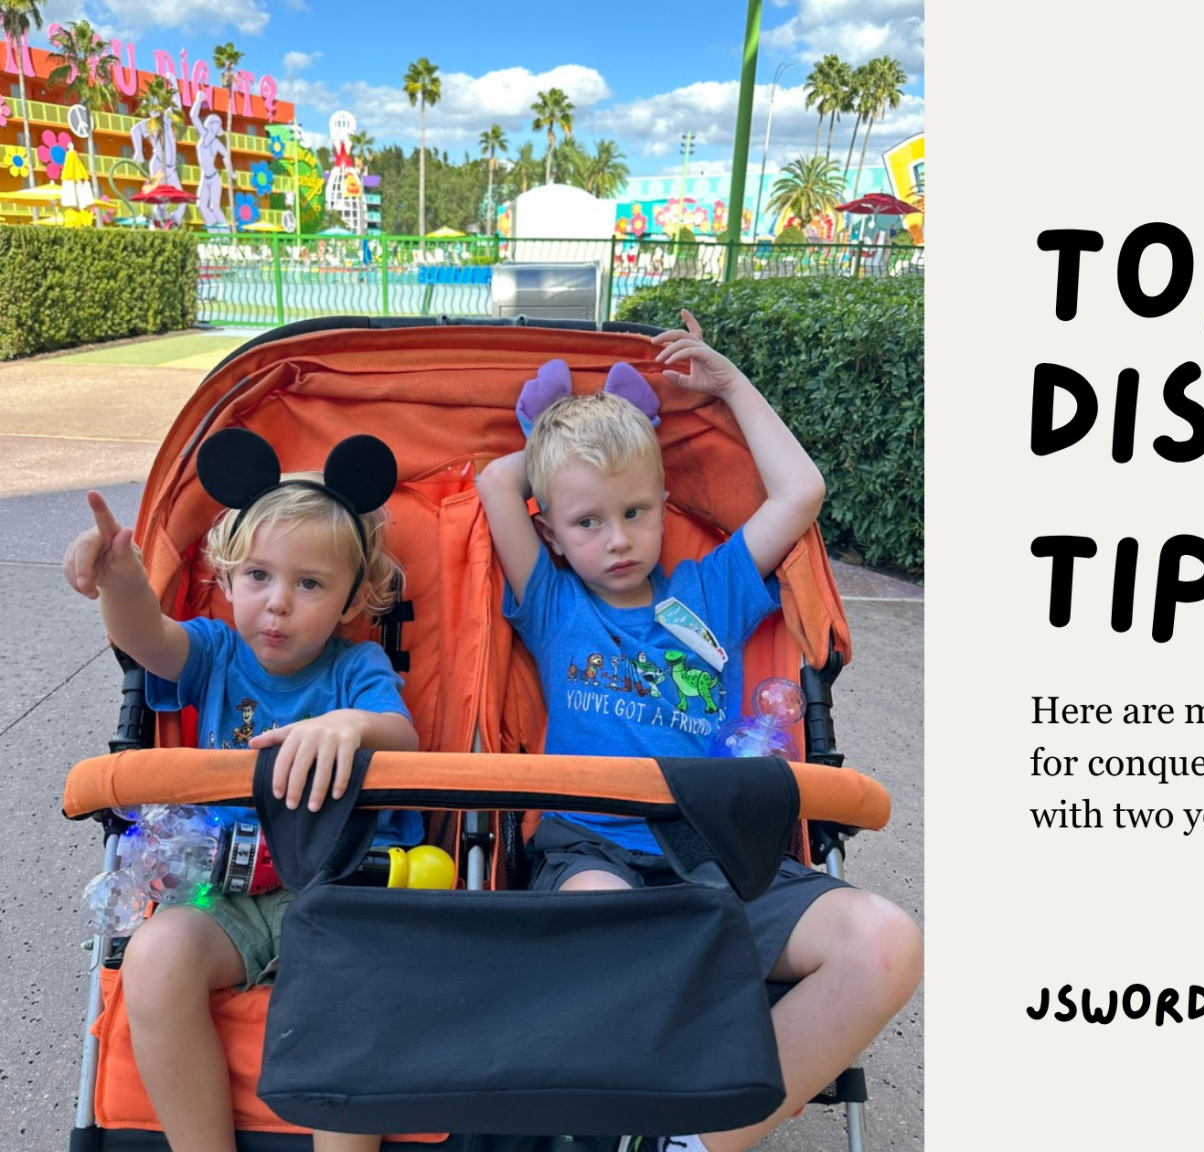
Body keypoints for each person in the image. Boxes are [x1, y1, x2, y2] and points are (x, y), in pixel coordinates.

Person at [475, 313, 922, 1152]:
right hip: (593, 855)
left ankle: (696, 1142)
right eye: (587, 522)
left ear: (664, 503)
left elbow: (801, 494)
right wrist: (559, 435)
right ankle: (631, 1115)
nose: (617, 539)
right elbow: (498, 484)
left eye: (636, 511)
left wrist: (725, 386)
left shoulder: (707, 595)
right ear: (549, 532)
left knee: (887, 942)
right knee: (618, 928)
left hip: (715, 854)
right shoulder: (553, 603)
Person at [61, 432, 421, 1152]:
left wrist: (351, 727)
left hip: (338, 889)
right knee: (154, 957)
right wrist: (122, 581)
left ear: (352, 596)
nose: (277, 604)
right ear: (227, 580)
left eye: (310, 584)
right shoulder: (216, 653)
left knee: (354, 983)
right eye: (258, 575)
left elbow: (403, 739)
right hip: (223, 891)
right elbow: (147, 640)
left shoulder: (358, 669)